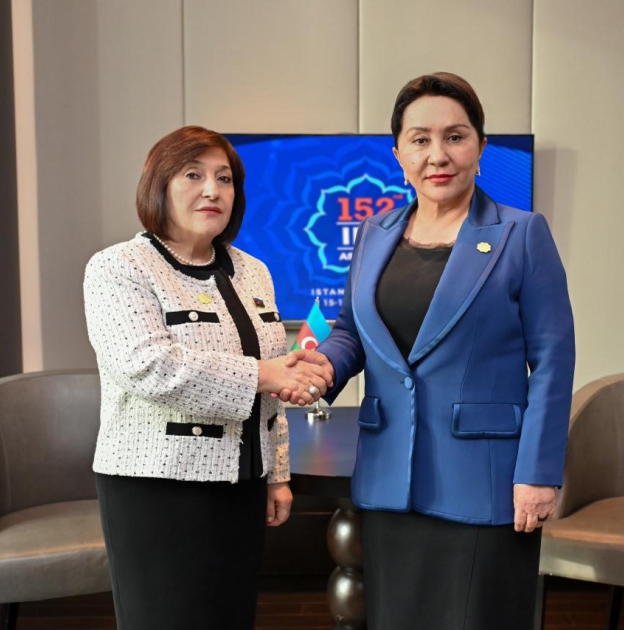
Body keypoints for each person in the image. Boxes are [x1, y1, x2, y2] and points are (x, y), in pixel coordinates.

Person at [304, 72, 576, 629]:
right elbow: (351, 331)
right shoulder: (374, 233)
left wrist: (539, 472)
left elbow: (553, 360)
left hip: (486, 482)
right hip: (389, 481)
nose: (438, 155)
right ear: (398, 153)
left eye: (455, 136)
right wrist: (322, 367)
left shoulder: (522, 233)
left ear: (480, 145)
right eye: (420, 139)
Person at [83, 126, 333, 629]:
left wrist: (277, 473)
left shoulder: (253, 271)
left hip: (243, 484)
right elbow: (149, 365)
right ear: (159, 186)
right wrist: (264, 374)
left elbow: (272, 383)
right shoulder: (119, 267)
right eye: (193, 175)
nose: (212, 190)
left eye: (224, 178)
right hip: (158, 488)